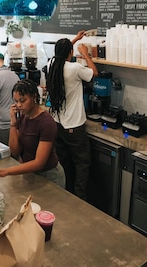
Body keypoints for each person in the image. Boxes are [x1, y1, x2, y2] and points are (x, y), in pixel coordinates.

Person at [46, 31, 97, 200]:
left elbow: (62, 54)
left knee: (64, 163)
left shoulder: (52, 64)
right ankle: (79, 200)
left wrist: (75, 39)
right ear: (70, 52)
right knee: (82, 165)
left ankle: (65, 196)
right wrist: (85, 54)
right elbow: (94, 73)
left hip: (57, 124)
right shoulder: (75, 68)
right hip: (73, 127)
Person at [0, 80, 65, 188]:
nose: (19, 105)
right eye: (16, 101)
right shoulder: (24, 117)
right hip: (30, 172)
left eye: (22, 101)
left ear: (34, 97)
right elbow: (14, 150)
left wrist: (8, 171)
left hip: (49, 175)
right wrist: (13, 123)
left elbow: (39, 163)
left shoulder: (46, 123)